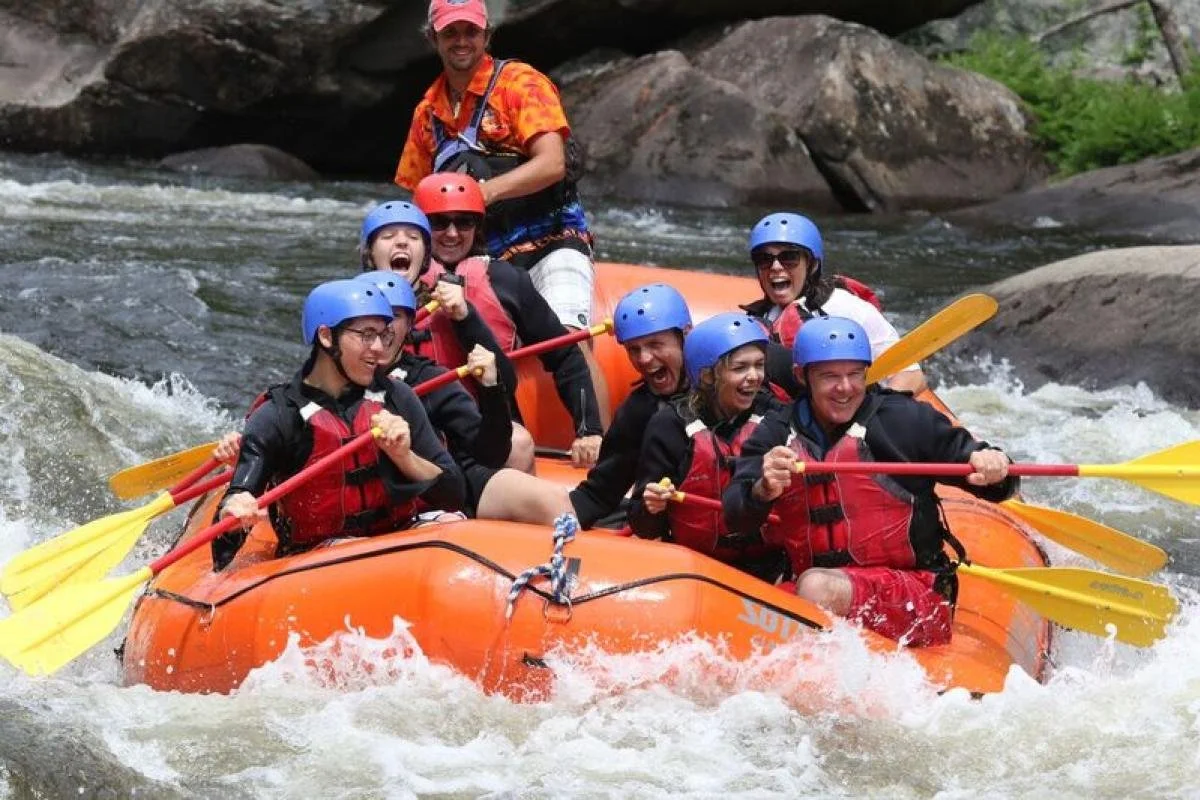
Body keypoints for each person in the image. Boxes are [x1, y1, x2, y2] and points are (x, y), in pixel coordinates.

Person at [722, 317, 1017, 647]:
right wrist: (762, 490)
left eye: (855, 375)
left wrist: (991, 464)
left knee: (815, 587)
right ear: (802, 377)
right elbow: (736, 514)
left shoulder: (905, 420)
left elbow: (1000, 484)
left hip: (913, 594)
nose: (845, 388)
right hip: (817, 589)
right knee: (767, 610)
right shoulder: (776, 431)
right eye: (830, 376)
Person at [395, 0, 611, 424]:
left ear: (487, 36)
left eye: (470, 31)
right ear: (432, 39)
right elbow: (412, 195)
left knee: (570, 335)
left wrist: (484, 193)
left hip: (553, 241)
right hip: (481, 257)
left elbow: (552, 163)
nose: (461, 41)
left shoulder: (520, 84)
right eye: (450, 33)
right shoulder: (428, 112)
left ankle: (599, 446)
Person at [213, 279, 465, 570]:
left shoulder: (397, 397)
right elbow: (222, 549)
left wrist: (404, 457)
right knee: (352, 555)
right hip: (322, 559)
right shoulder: (278, 416)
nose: (380, 349)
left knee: (454, 526)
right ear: (326, 336)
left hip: (396, 541)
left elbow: (454, 495)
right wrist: (230, 515)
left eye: (383, 336)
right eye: (366, 335)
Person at [410, 172, 604, 469]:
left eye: (464, 222)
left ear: (478, 227)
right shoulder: (399, 283)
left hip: (491, 429)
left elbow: (566, 356)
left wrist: (588, 430)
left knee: (519, 443)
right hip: (420, 425)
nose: (452, 233)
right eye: (439, 222)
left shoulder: (507, 281)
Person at [356, 270, 568, 523]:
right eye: (373, 322)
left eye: (394, 317)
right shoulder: (327, 387)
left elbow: (492, 453)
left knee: (554, 502)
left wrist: (491, 389)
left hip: (447, 488)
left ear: (411, 324)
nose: (384, 330)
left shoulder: (430, 378)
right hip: (373, 503)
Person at [631, 312, 789, 582]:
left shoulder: (776, 416)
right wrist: (651, 507)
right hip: (694, 571)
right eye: (740, 368)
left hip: (770, 567)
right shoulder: (670, 425)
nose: (754, 377)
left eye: (759, 365)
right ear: (707, 376)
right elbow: (642, 525)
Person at [741, 212, 927, 394]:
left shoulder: (847, 308)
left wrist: (875, 417)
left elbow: (912, 376)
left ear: (812, 265)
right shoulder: (761, 317)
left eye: (789, 257)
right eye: (764, 259)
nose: (775, 267)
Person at [567, 283, 693, 528]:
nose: (644, 359)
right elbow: (599, 494)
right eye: (634, 349)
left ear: (686, 334)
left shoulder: (730, 386)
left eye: (656, 344)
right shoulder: (637, 412)